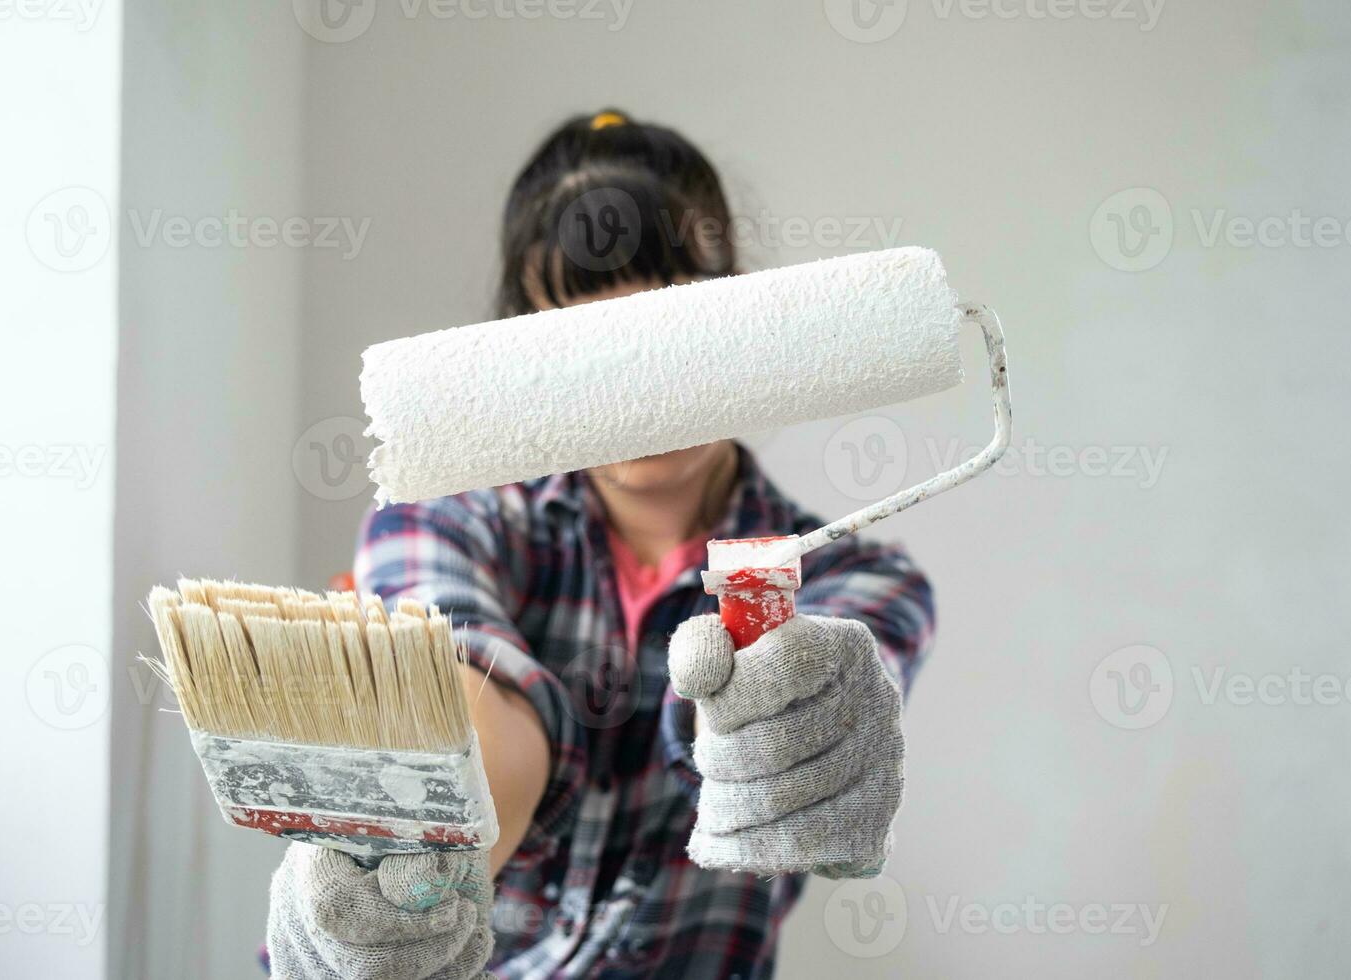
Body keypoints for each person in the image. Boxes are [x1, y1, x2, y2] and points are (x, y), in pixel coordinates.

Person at [265, 109, 935, 979]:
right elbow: (470, 709)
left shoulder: (851, 577)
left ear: (741, 315)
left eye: (670, 314)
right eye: (589, 335)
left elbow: (782, 714)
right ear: (523, 348)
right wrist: (417, 880)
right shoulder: (441, 522)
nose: (643, 375)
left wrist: (796, 722)